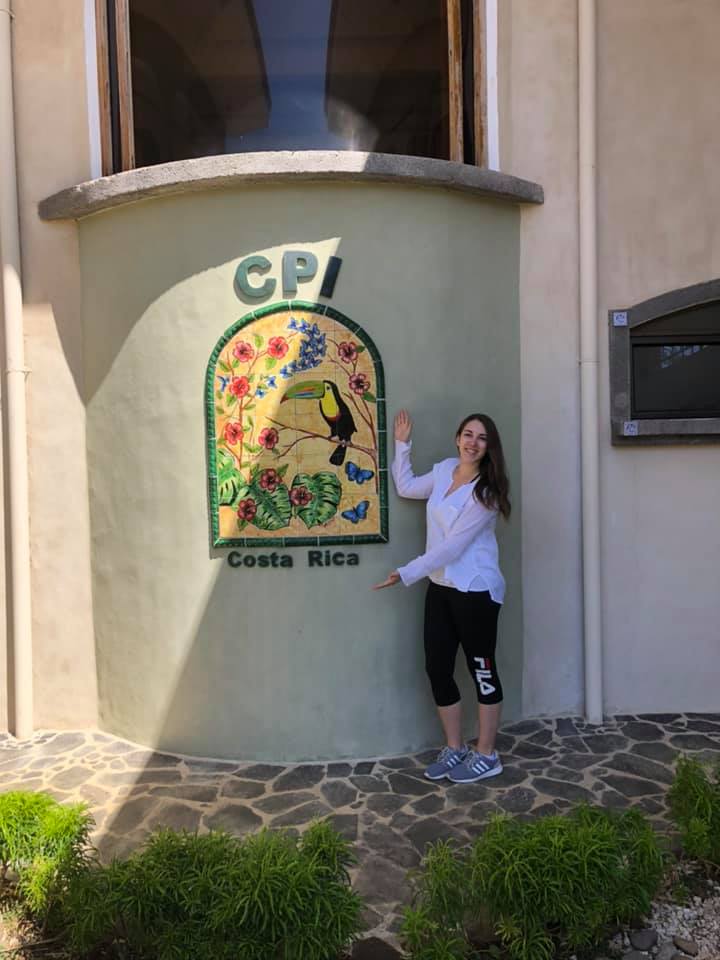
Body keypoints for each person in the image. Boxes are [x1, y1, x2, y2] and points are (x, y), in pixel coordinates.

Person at [373, 409, 511, 783]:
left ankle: (487, 753)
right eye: (468, 434)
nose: (472, 443)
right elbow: (405, 486)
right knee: (437, 667)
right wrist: (401, 444)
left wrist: (406, 572)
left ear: (489, 447)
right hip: (440, 589)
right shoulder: (443, 470)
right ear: (457, 438)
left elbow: (452, 548)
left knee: (482, 671)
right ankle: (456, 747)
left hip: (475, 590)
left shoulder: (487, 494)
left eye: (481, 438)